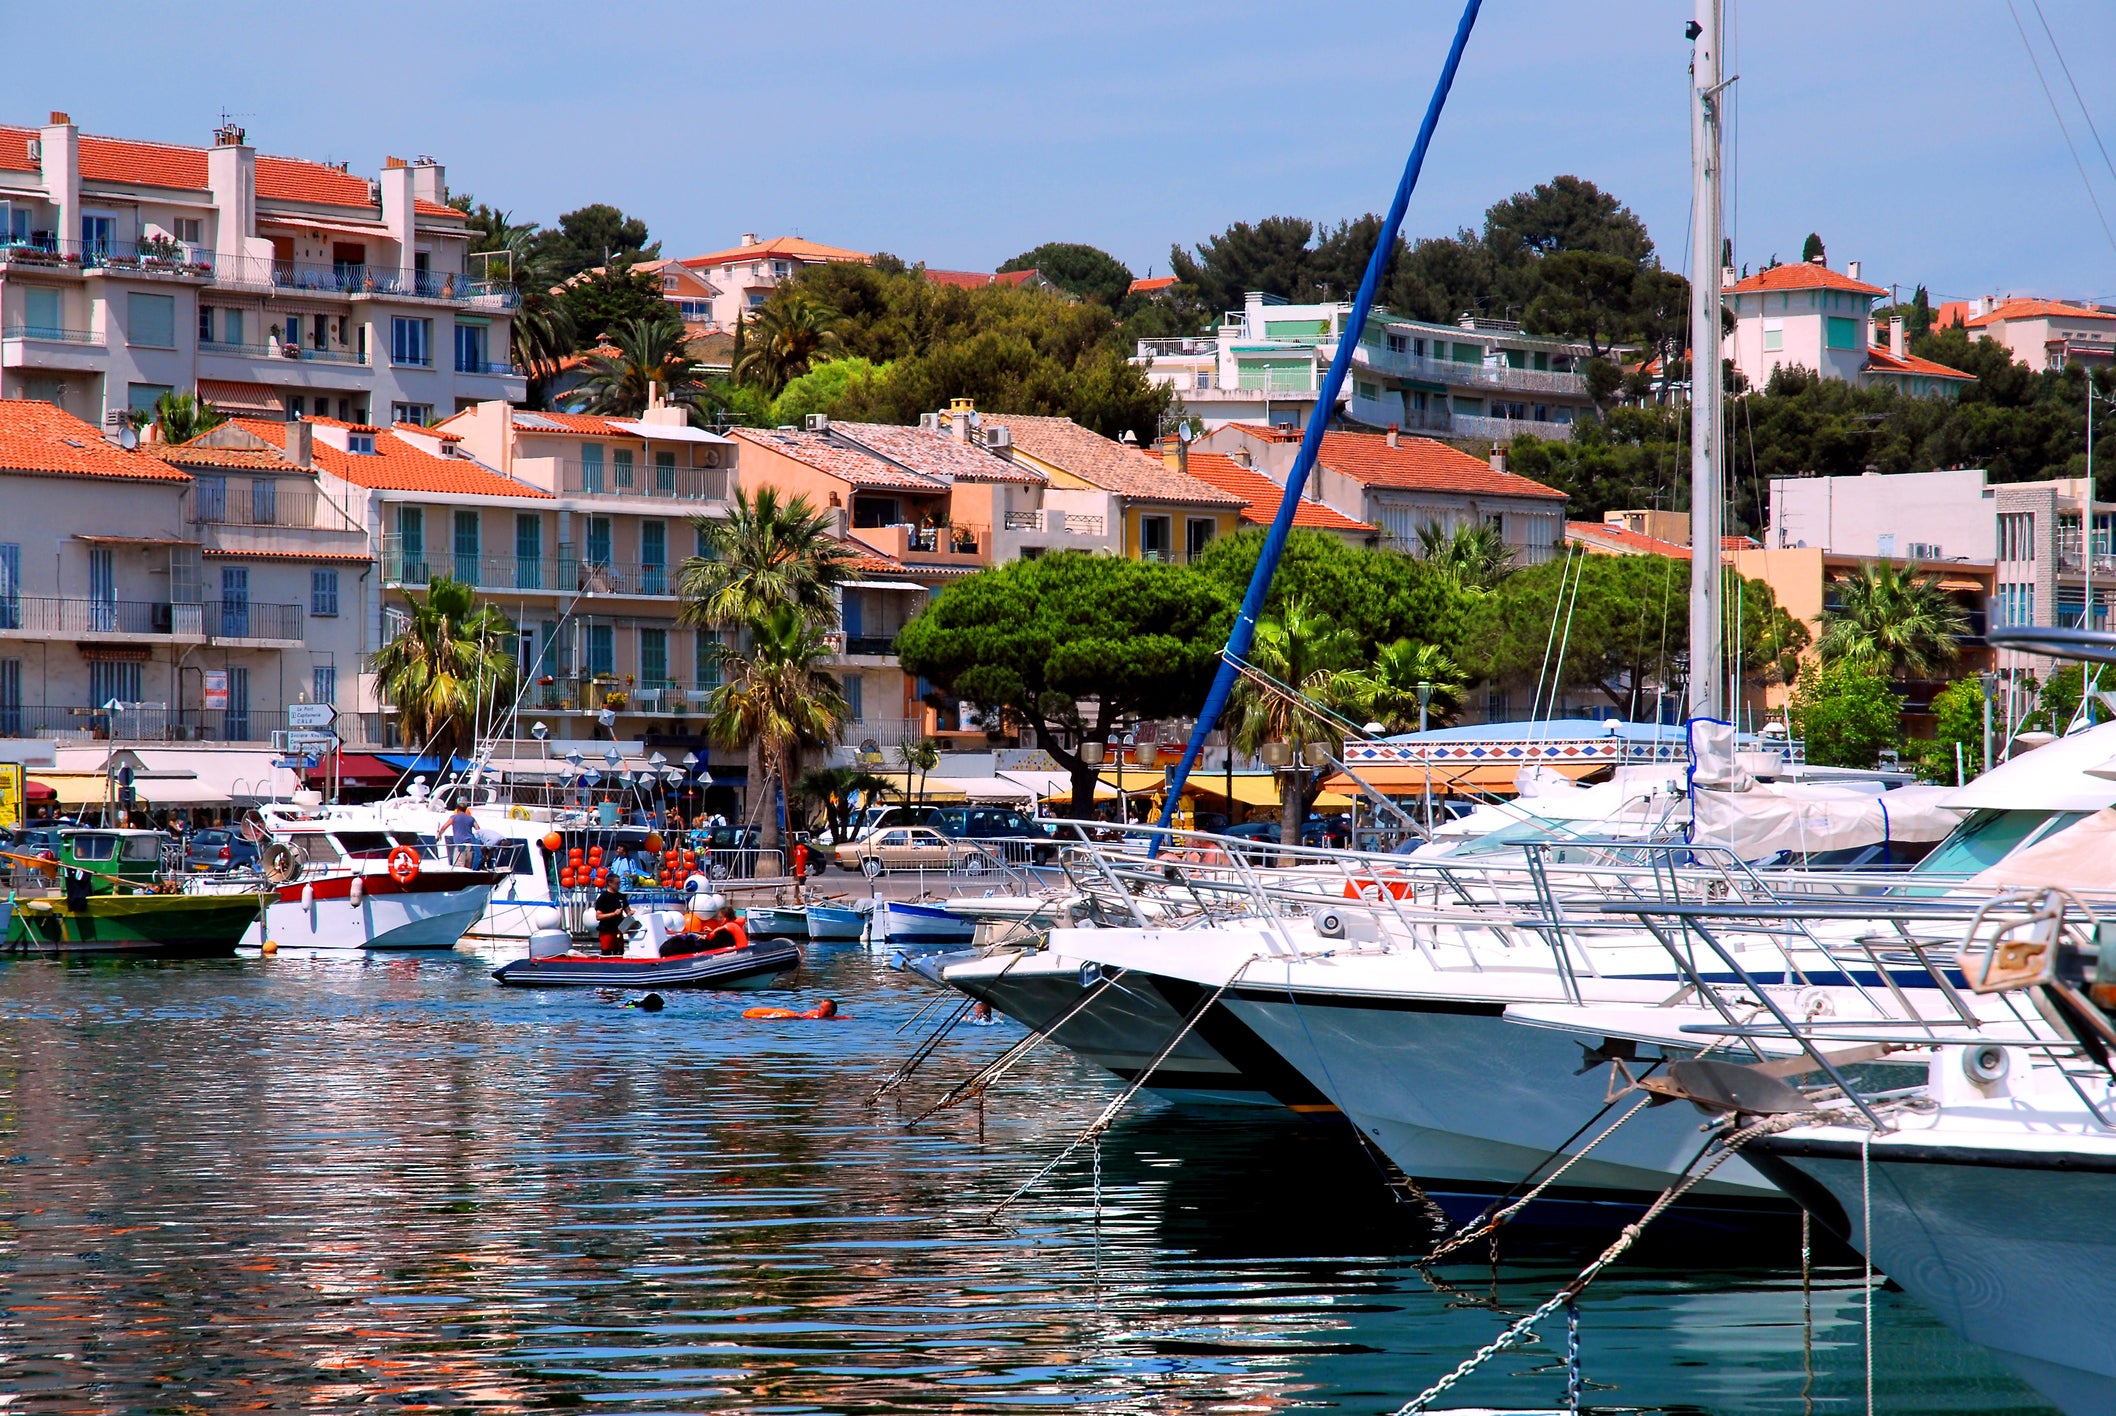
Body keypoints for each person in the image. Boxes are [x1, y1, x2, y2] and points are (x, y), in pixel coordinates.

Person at [593, 880, 630, 955]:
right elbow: (598, 916)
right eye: (617, 883)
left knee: (619, 952)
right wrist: (614, 913)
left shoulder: (621, 897)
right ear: (610, 883)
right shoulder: (603, 897)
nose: (619, 885)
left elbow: (628, 911)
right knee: (607, 951)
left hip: (619, 930)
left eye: (620, 883)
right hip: (607, 930)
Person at [447, 803, 478, 868]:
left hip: (460, 845)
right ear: (465, 809)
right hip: (470, 845)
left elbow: (445, 826)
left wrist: (439, 834)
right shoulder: (471, 818)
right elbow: (478, 829)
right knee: (468, 867)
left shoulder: (454, 817)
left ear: (457, 809)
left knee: (458, 867)